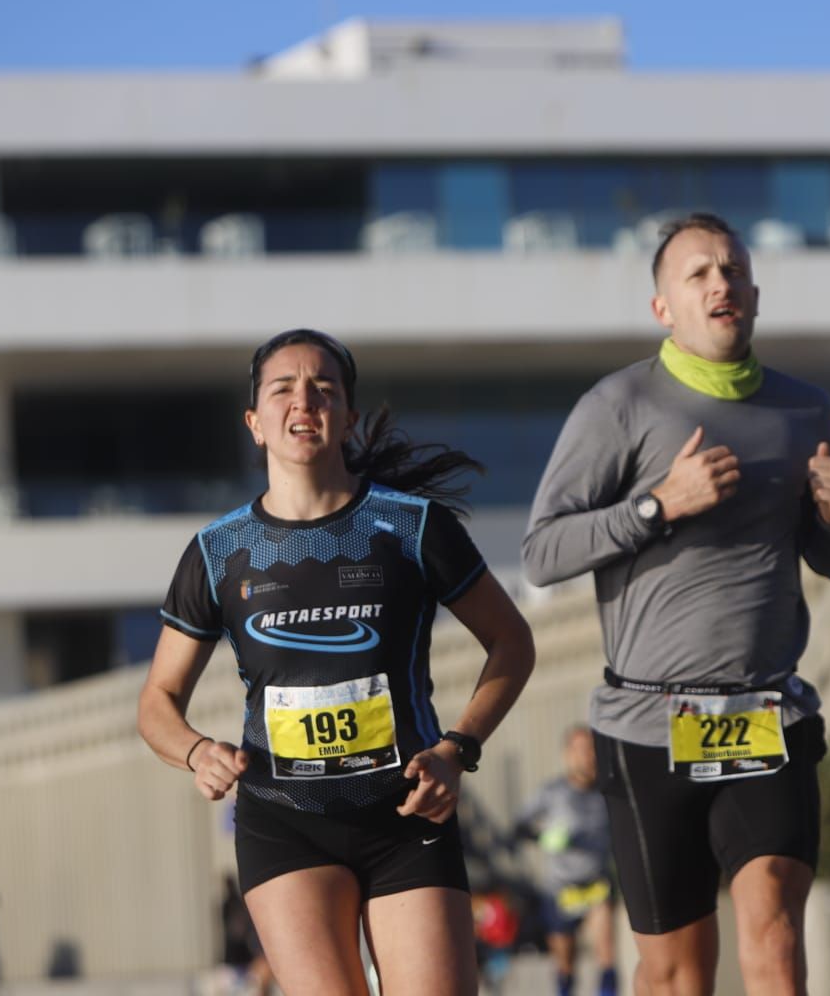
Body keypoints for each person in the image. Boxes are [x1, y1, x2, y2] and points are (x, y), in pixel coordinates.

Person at [523, 212, 830, 995]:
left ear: (754, 292)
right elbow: (542, 554)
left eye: (733, 271)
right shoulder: (619, 405)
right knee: (677, 972)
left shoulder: (804, 409)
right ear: (663, 308)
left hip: (767, 713)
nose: (721, 284)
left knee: (775, 923)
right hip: (647, 727)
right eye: (699, 274)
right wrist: (658, 506)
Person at [138, 328, 535, 996]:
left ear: (347, 417)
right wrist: (195, 751)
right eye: (283, 389)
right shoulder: (218, 552)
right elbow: (157, 702)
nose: (305, 401)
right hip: (284, 822)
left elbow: (512, 643)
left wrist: (456, 748)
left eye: (325, 389)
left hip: (407, 815)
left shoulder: (411, 528)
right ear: (255, 422)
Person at [513, 725, 617, 996]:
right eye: (582, 749)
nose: (589, 757)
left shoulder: (608, 793)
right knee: (566, 965)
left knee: (607, 953)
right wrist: (545, 838)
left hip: (596, 885)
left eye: (593, 749)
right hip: (560, 890)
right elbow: (519, 828)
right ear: (568, 754)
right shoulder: (551, 792)